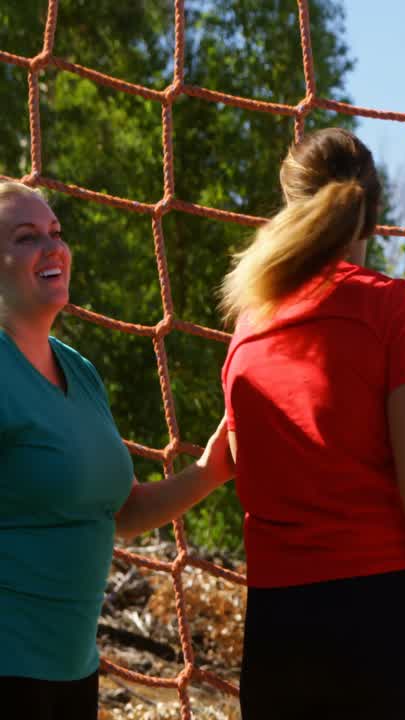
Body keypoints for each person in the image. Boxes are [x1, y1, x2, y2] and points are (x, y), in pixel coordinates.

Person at [218, 128, 405, 720]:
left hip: (278, 628)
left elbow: (243, 465)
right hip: (386, 619)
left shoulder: (248, 325)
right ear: (372, 216)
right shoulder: (394, 311)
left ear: (290, 206)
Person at [0, 180, 235, 719]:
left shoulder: (79, 371)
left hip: (75, 673)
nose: (53, 247)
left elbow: (122, 511)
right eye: (27, 237)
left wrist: (211, 469)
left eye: (56, 232)